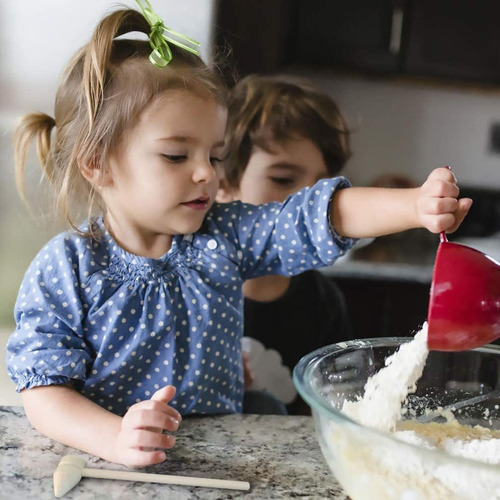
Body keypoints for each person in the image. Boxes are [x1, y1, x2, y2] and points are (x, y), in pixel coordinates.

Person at [6, 3, 471, 469]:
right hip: (106, 463)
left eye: (215, 154)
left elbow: (314, 218)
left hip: (222, 459)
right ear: (98, 163)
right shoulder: (65, 267)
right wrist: (114, 437)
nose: (205, 173)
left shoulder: (224, 236)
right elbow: (43, 391)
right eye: (175, 156)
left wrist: (413, 205)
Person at [217, 74, 353, 415]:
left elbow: (336, 408)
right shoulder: (191, 290)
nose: (309, 201)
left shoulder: (323, 302)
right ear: (223, 184)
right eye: (282, 179)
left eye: (323, 187)